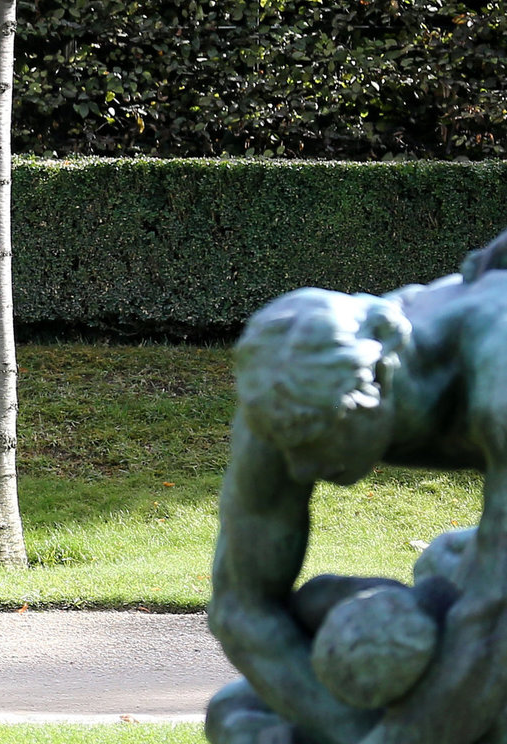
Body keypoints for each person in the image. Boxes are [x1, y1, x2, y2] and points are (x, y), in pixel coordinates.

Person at [206, 241, 507, 744]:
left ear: (380, 379)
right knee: (239, 714)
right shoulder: (289, 390)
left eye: (314, 441)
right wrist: (350, 731)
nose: (299, 466)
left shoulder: (495, 373)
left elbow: (492, 624)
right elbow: (242, 608)